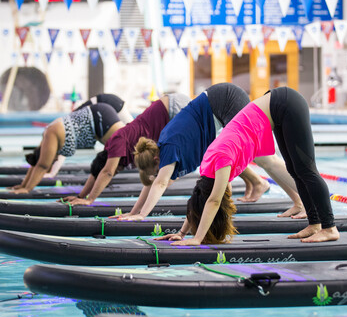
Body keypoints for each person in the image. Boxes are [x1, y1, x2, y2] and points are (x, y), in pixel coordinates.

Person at [156, 87, 339, 245]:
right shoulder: (207, 169)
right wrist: (181, 233)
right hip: (277, 108)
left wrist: (196, 239)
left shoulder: (221, 158)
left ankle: (329, 227)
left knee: (306, 169)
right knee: (294, 169)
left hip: (285, 103)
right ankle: (314, 224)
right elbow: (199, 199)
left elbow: (213, 200)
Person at [117, 83, 304, 221]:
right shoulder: (161, 149)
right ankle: (299, 202)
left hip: (226, 100)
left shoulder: (169, 148)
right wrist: (133, 213)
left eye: (157, 170)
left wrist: (142, 215)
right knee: (260, 159)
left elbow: (160, 183)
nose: (158, 174)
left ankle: (308, 202)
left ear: (157, 159)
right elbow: (152, 183)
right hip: (218, 102)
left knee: (266, 159)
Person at [62, 93, 190, 205]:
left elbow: (107, 172)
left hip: (173, 108)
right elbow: (96, 173)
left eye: (116, 169)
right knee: (165, 174)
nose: (116, 171)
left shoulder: (116, 141)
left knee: (171, 173)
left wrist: (90, 200)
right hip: (171, 110)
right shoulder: (119, 153)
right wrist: (80, 196)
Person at [11, 103, 124, 193]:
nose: (55, 161)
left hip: (100, 118)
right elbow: (36, 162)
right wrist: (23, 185)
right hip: (98, 118)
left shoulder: (50, 134)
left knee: (130, 150)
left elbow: (42, 166)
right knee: (122, 156)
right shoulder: (47, 140)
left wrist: (27, 189)